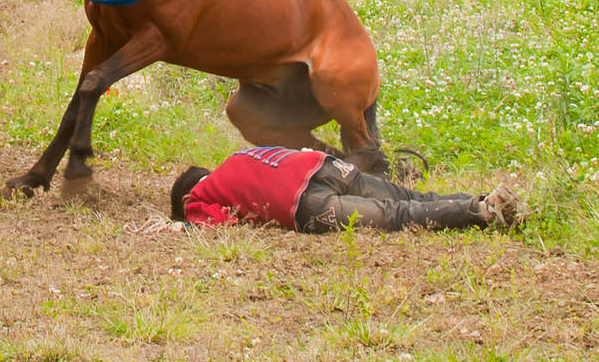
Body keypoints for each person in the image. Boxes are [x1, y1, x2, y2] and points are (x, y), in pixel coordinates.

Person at [170, 146, 522, 233]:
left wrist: (182, 224)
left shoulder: (200, 195)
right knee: (404, 196)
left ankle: (481, 211)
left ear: (188, 195)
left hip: (304, 202)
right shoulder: (238, 159)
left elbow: (209, 222)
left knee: (395, 216)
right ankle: (482, 196)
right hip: (323, 166)